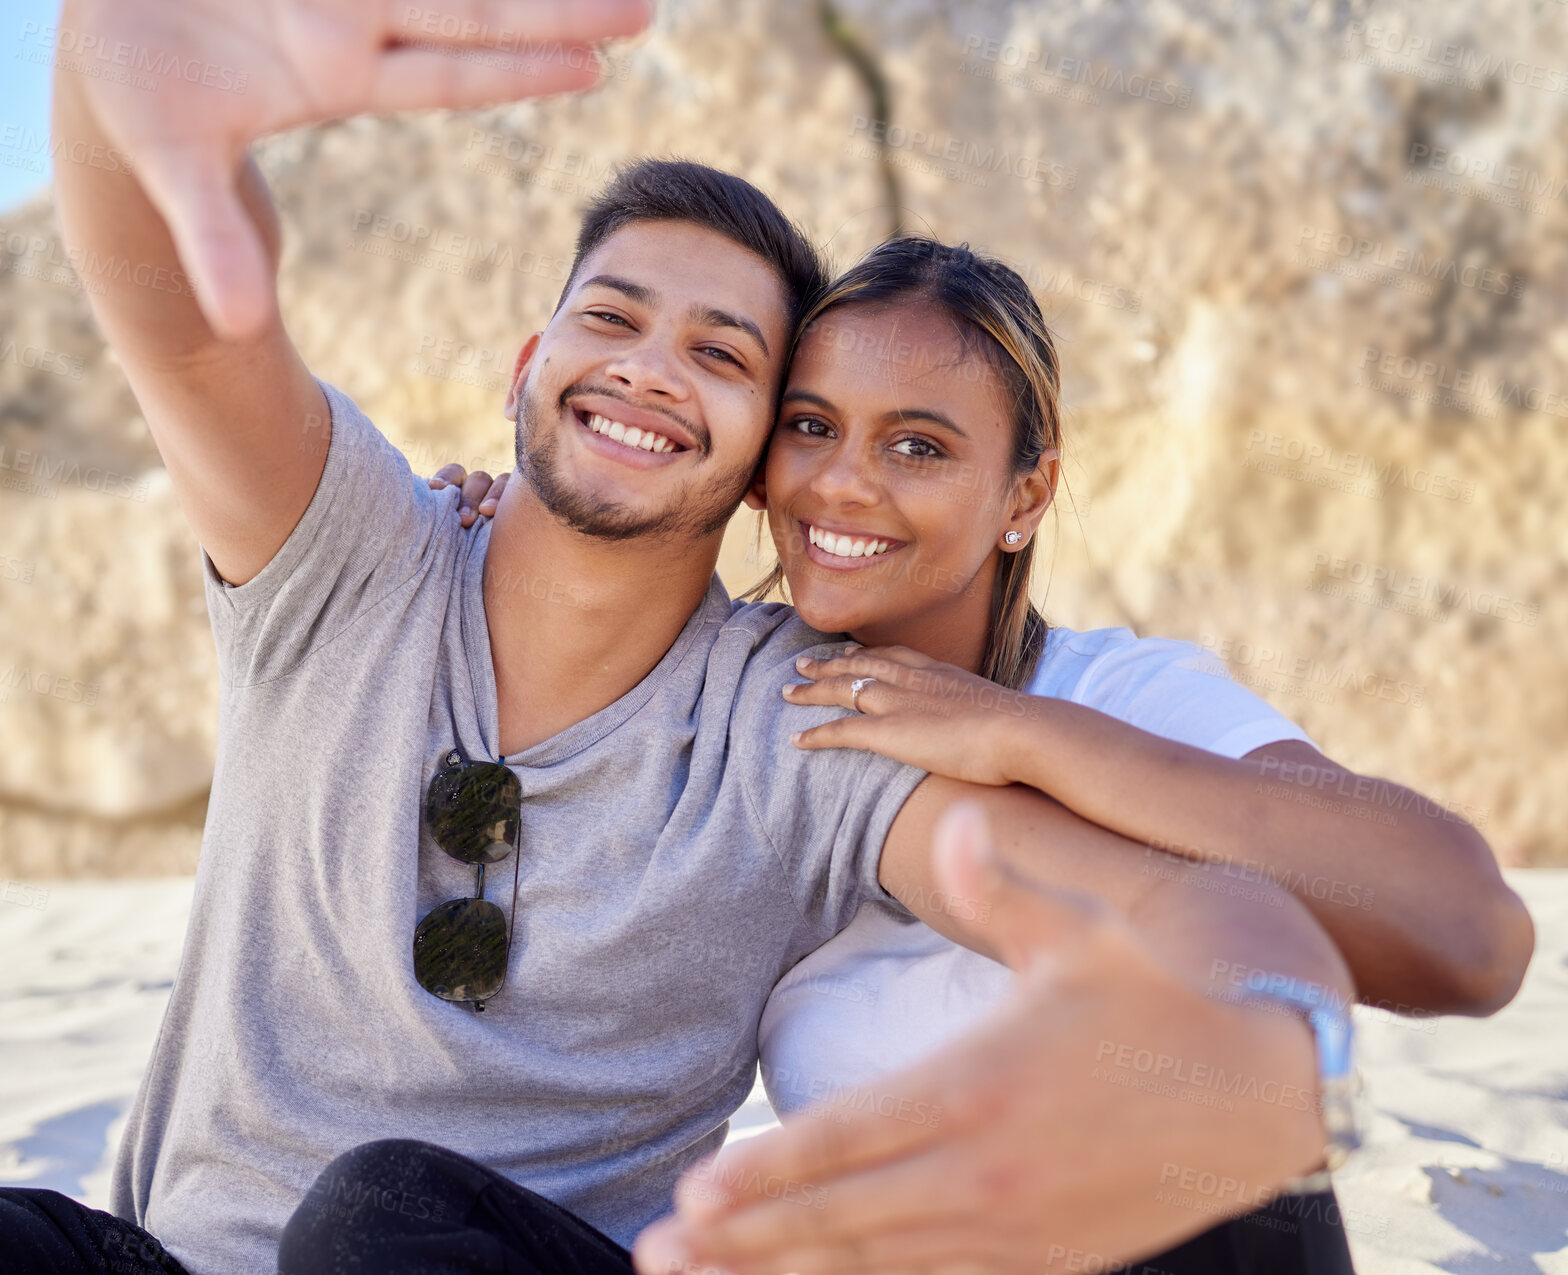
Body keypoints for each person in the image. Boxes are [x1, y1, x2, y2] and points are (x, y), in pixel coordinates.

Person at [2, 6, 1528, 1275]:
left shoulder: (807, 713)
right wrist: (111, 71)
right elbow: (191, 324)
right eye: (613, 321)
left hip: (461, 1253)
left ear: (749, 465)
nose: (654, 370)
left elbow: (1154, 907)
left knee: (379, 1210)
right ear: (530, 365)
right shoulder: (349, 557)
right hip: (169, 1255)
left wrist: (1243, 1039)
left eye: (726, 355)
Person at [438, 235, 1537, 1273]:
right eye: (811, 427)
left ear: (1024, 496)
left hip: (1153, 1232)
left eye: (917, 446)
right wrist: (508, 525)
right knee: (396, 1209)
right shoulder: (732, 724)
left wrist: (1016, 734)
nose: (844, 485)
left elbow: (1471, 937)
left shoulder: (1114, 697)